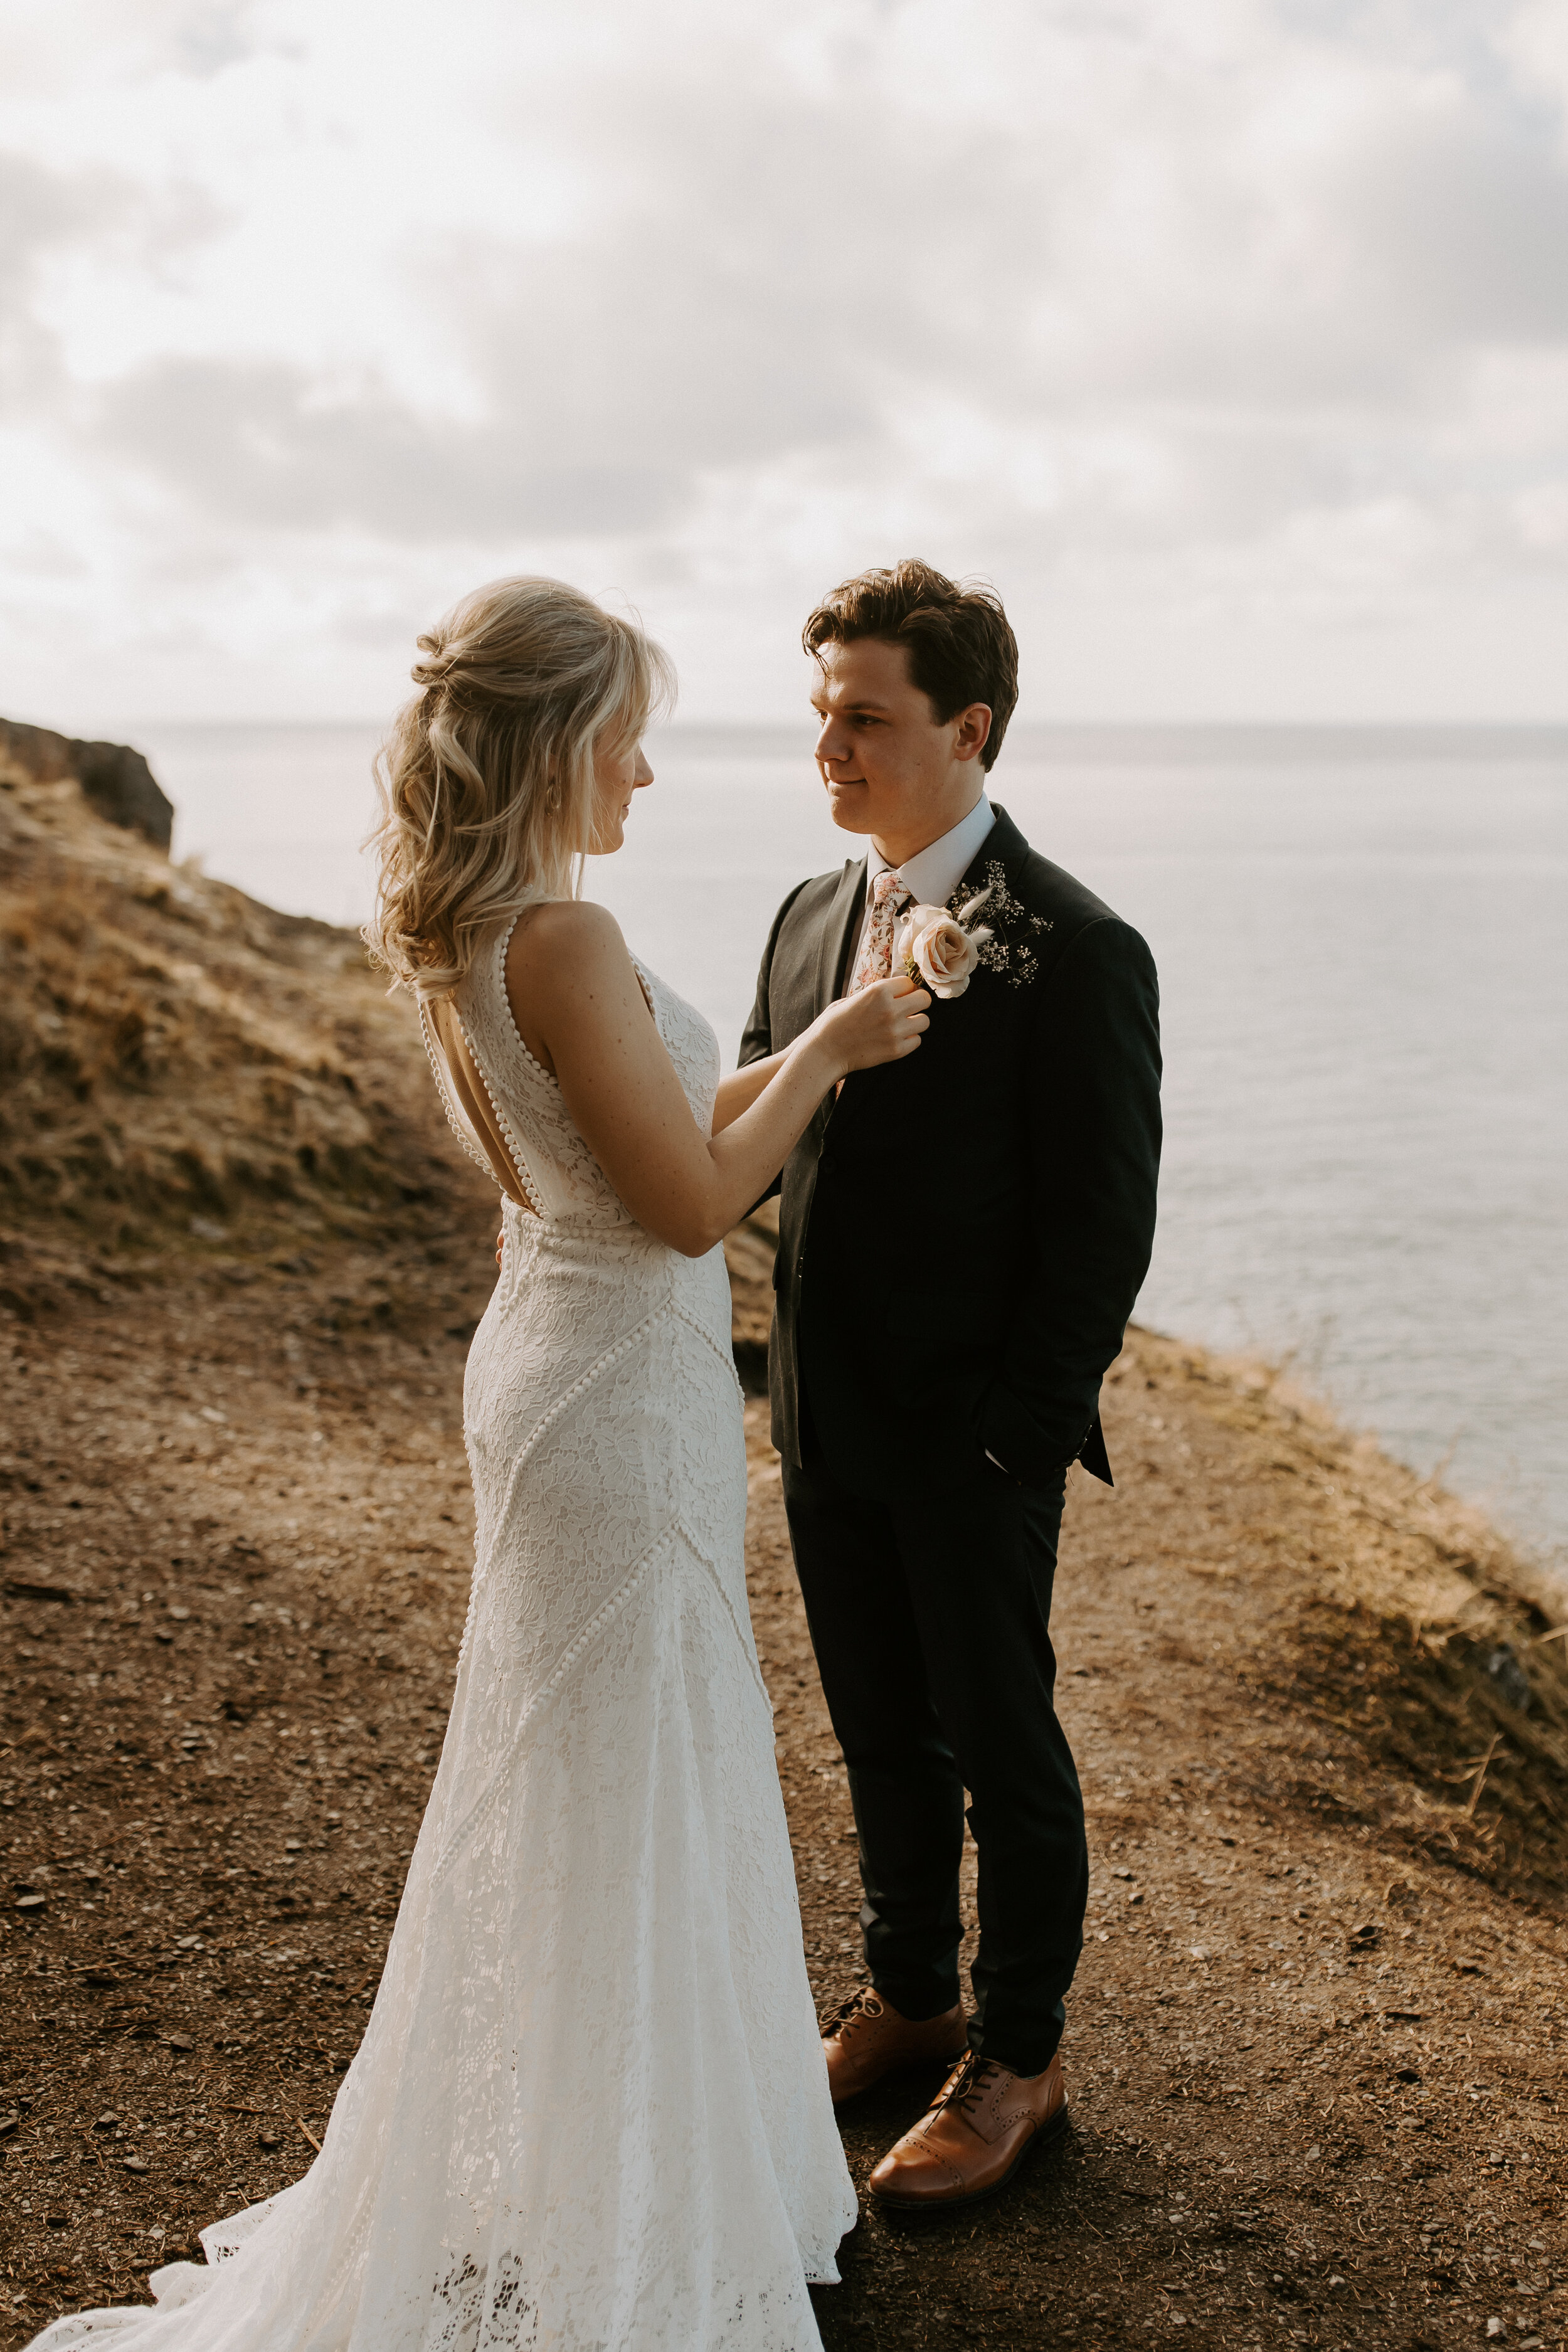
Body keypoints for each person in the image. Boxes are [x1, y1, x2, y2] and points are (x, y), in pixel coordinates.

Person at [26, 578, 932, 2352]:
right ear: (551, 743)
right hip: (610, 1389)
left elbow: (643, 1155)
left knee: (597, 1771)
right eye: (626, 740)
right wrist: (830, 1046)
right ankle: (629, 2189)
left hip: (567, 1366)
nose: (647, 775)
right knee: (623, 1776)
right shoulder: (564, 942)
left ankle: (615, 2155)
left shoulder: (475, 928)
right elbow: (682, 1209)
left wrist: (809, 1046)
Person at [741, 559, 1162, 2212]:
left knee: (1001, 1741)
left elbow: (1097, 1235)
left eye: (864, 717)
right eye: (820, 715)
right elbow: (788, 1145)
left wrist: (1016, 1439)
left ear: (966, 728)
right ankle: (910, 1996)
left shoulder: (1076, 948)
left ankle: (1018, 2051)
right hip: (826, 1421)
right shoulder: (800, 914)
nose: (829, 750)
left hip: (974, 1443)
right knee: (872, 1729)